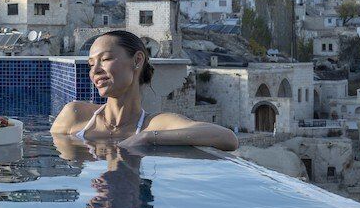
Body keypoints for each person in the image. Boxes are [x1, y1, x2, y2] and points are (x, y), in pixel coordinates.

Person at [50, 29, 238, 150]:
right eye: (91, 64)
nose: (95, 71)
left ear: (137, 60)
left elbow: (227, 138)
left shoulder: (155, 125)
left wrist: (148, 137)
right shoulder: (75, 114)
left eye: (105, 59)